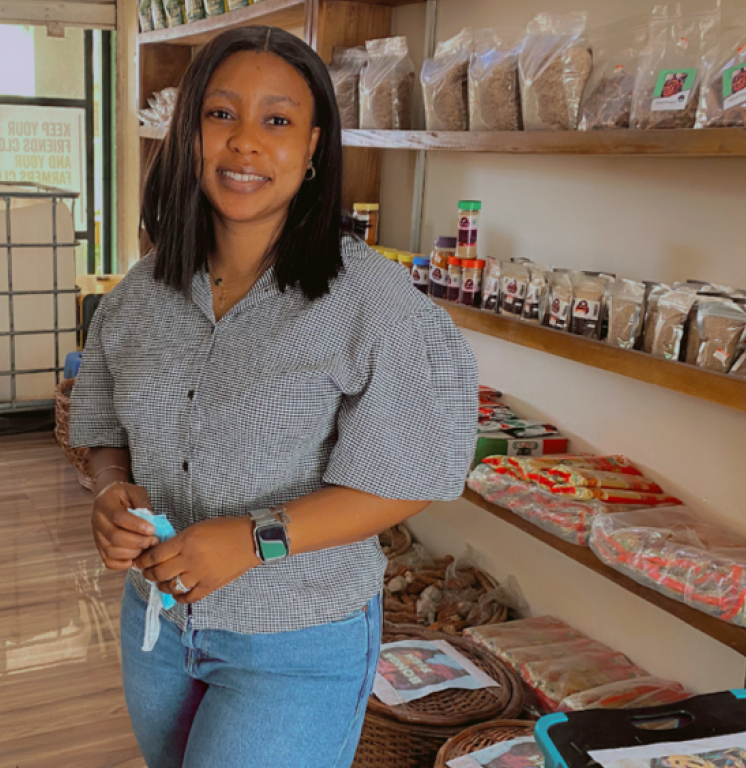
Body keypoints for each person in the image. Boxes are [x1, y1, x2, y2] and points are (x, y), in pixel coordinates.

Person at [69, 25, 477, 768]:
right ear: (189, 134)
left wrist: (256, 539)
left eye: (277, 121)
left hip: (297, 636)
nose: (245, 143)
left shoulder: (370, 301)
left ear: (315, 145)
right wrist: (110, 491)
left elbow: (411, 475)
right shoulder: (140, 294)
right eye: (221, 114)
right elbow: (101, 432)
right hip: (158, 624)